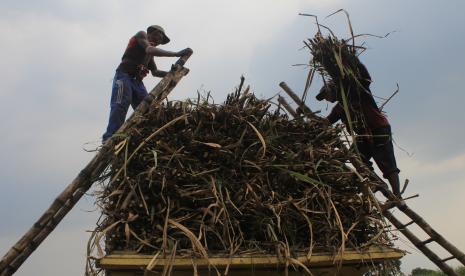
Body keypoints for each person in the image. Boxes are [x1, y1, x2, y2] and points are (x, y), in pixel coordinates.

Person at [315, 61, 401, 197]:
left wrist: (352, 59)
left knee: (386, 160)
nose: (326, 98)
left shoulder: (357, 92)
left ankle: (397, 195)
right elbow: (326, 122)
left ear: (334, 89)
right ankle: (375, 183)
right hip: (363, 136)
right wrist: (305, 114)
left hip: (378, 129)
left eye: (326, 95)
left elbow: (365, 77)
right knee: (356, 157)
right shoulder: (339, 108)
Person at [102, 25, 192, 142]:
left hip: (137, 83)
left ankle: (143, 136)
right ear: (151, 33)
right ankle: (111, 137)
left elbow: (155, 72)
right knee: (121, 104)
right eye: (157, 37)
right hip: (124, 76)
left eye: (160, 41)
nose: (158, 41)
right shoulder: (141, 35)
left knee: (148, 109)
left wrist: (175, 73)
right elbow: (149, 49)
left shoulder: (149, 56)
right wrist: (176, 54)